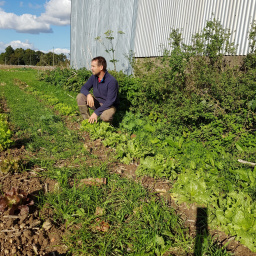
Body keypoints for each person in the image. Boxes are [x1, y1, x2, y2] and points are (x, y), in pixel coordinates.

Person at [76, 56, 119, 123]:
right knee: (80, 97)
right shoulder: (94, 77)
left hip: (109, 106)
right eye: (91, 66)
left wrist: (96, 112)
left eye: (93, 66)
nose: (91, 68)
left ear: (101, 67)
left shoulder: (111, 81)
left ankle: (107, 127)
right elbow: (84, 88)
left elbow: (110, 102)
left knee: (105, 117)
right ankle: (87, 121)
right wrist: (88, 94)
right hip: (97, 103)